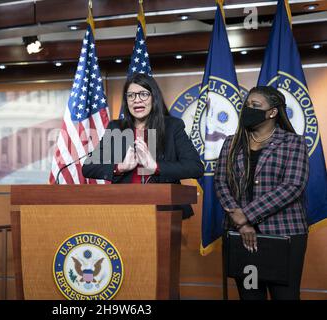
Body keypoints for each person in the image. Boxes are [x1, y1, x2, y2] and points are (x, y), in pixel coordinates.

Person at [214, 86, 309, 300]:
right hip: (240, 233)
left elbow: (292, 185)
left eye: (255, 106)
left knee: (285, 296)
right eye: (247, 105)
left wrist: (246, 214)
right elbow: (221, 182)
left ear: (272, 112)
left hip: (284, 233)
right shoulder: (232, 142)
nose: (248, 109)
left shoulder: (294, 143)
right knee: (250, 295)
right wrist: (241, 222)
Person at [82, 73, 203, 218]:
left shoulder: (172, 127)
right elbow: (89, 167)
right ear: (126, 101)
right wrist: (119, 167)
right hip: (123, 212)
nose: (137, 100)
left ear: (154, 98)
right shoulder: (117, 128)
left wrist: (156, 167)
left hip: (165, 212)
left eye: (143, 94)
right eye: (131, 95)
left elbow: (195, 167)